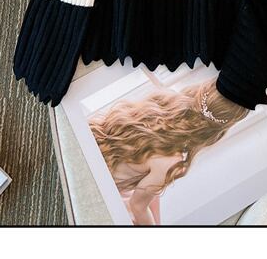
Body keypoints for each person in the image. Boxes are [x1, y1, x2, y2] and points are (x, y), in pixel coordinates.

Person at [88, 78, 249, 225]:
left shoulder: (162, 101)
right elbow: (137, 206)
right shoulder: (172, 162)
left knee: (153, 195)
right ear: (217, 131)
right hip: (94, 185)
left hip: (92, 149)